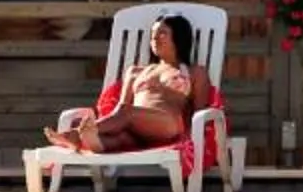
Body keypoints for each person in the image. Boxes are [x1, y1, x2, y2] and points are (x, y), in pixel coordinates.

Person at [47, 12, 210, 154]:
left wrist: (190, 141)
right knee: (122, 138)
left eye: (162, 33)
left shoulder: (194, 72)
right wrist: (109, 127)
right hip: (134, 126)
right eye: (152, 34)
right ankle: (92, 141)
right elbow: (119, 109)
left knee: (126, 112)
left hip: (168, 124)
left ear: (179, 37)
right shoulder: (135, 72)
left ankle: (76, 134)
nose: (154, 38)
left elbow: (199, 111)